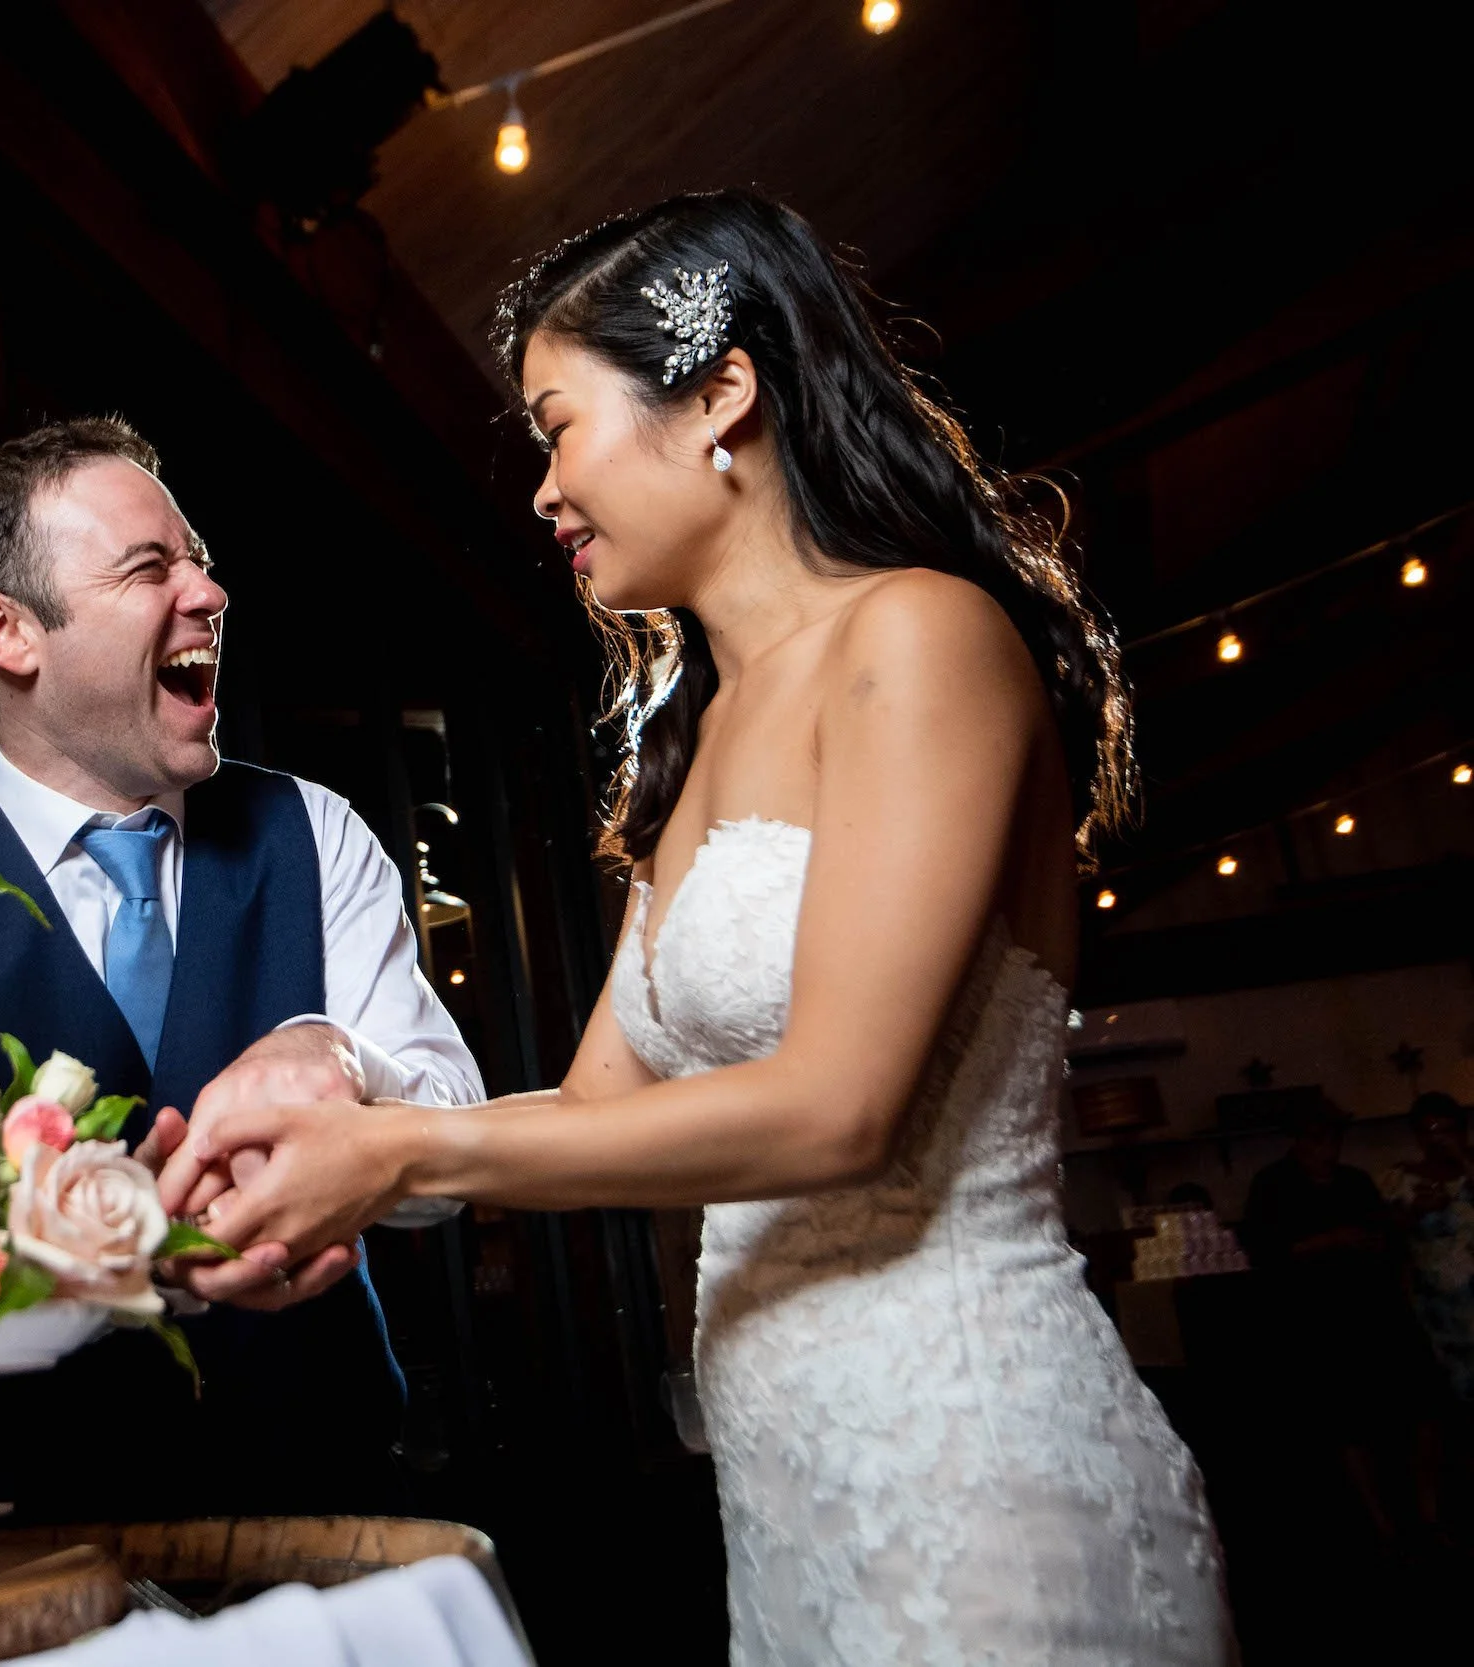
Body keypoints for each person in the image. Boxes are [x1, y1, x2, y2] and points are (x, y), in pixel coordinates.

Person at [157, 190, 1233, 1660]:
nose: (543, 491)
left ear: (723, 393)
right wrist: (341, 1131)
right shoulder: (700, 735)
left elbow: (842, 1106)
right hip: (789, 1499)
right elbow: (598, 1110)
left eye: (557, 425)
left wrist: (409, 1147)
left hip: (977, 1485)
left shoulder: (921, 635)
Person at [0, 415, 483, 1519]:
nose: (208, 593)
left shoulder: (311, 830)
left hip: (327, 1511)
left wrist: (342, 1059)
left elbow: (451, 1159)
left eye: (201, 560)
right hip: (17, 1541)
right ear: (6, 630)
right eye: (149, 566)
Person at [1247, 1105, 1449, 1544]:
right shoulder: (1273, 1185)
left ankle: (1428, 1511)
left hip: (1377, 1303)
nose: (1329, 1150)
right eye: (1319, 1140)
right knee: (1349, 1418)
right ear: (1299, 1141)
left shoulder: (1355, 1180)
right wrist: (1329, 1240)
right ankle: (1382, 1522)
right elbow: (1264, 1251)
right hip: (1324, 1315)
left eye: (1333, 1140)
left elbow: (1382, 1229)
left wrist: (1404, 1219)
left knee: (1423, 1402)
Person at [1379, 1091, 1474, 1404]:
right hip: (1436, 1307)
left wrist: (1462, 1159)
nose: (1437, 1140)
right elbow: (1384, 1236)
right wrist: (1417, 1211)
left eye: (1445, 1130)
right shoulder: (1401, 1178)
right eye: (1428, 1132)